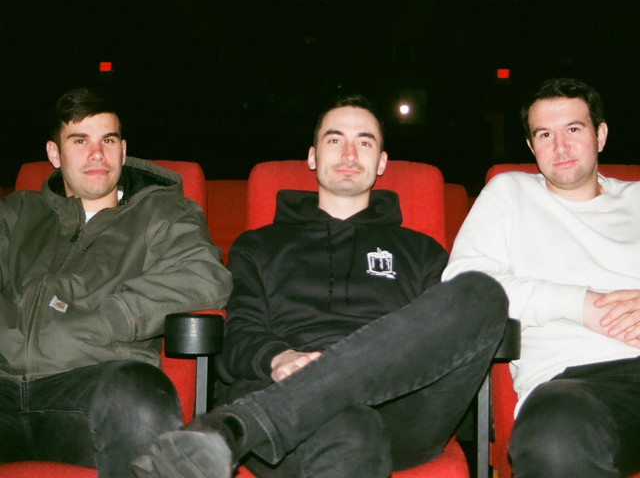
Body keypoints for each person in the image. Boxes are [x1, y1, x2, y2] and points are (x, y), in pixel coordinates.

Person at [133, 94, 507, 478]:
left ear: (382, 162)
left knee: (482, 293)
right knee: (352, 428)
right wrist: (279, 358)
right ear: (312, 157)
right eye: (335, 139)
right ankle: (265, 417)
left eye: (364, 142)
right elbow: (239, 331)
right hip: (281, 389)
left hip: (399, 411)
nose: (349, 154)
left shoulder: (422, 251)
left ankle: (241, 426)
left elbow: (440, 337)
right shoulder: (258, 246)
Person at [0, 87, 232, 477]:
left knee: (140, 399)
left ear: (123, 151)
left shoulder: (164, 213)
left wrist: (114, 317)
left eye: (108, 141)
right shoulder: (17, 213)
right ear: (54, 154)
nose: (97, 154)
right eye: (80, 141)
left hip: (93, 386)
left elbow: (203, 275)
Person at [444, 77, 640, 478]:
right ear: (531, 147)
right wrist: (578, 304)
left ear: (601, 136)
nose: (560, 147)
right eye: (544, 134)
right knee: (553, 441)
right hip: (576, 384)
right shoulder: (510, 193)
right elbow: (465, 286)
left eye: (574, 129)